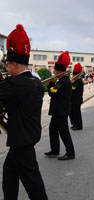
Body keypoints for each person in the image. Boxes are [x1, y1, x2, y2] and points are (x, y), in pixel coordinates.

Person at [2, 24, 48, 199]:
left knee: (34, 185)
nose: (6, 68)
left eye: (7, 64)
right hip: (25, 137)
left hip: (22, 141)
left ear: (14, 63)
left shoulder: (16, 84)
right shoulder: (35, 81)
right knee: (9, 175)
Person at [45, 51, 75, 160]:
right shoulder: (62, 80)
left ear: (61, 72)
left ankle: (70, 152)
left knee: (63, 132)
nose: (54, 72)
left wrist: (50, 84)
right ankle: (55, 150)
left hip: (61, 110)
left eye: (56, 71)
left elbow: (53, 93)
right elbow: (53, 92)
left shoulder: (63, 82)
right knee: (52, 129)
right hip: (58, 110)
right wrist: (52, 84)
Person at [70, 63, 84, 131]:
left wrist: (71, 83)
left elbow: (73, 89)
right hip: (73, 100)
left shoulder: (79, 81)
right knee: (72, 113)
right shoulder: (76, 81)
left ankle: (78, 125)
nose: (73, 76)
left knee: (76, 113)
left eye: (74, 75)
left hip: (77, 100)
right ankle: (74, 124)